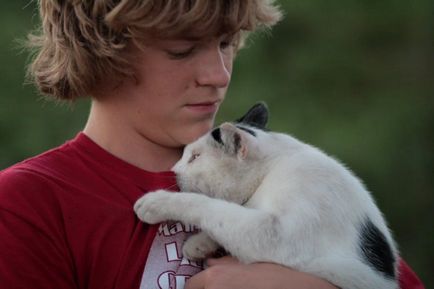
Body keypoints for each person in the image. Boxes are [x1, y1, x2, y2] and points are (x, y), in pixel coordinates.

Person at [0, 1, 424, 289]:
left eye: (226, 43)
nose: (218, 75)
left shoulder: (279, 170)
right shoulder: (26, 206)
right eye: (183, 50)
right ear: (100, 49)